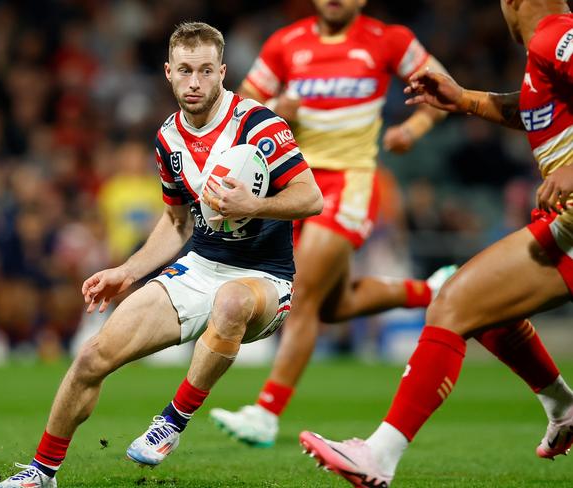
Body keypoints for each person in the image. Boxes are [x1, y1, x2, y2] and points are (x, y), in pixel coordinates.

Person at [209, 0, 566, 450]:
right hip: (295, 182)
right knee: (333, 305)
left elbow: (442, 89)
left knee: (301, 292)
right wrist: (278, 106)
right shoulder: (286, 43)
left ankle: (266, 411)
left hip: (352, 182)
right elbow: (243, 108)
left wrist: (413, 130)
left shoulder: (389, 40)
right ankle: (433, 290)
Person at [0, 21, 322, 488]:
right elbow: (175, 224)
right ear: (168, 72)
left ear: (222, 72)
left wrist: (256, 205)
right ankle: (40, 472)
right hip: (200, 267)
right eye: (185, 70)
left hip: (264, 278)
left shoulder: (258, 124)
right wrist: (127, 271)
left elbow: (312, 198)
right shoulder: (168, 138)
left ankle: (171, 420)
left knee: (230, 301)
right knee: (91, 358)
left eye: (206, 71)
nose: (195, 82)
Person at [299, 1, 573, 486]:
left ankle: (380, 455)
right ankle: (564, 409)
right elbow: (534, 108)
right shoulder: (544, 51)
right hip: (563, 227)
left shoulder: (557, 35)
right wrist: (464, 98)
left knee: (455, 302)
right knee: (477, 305)